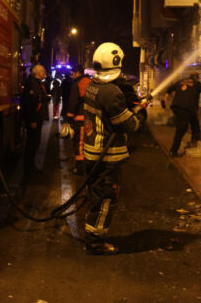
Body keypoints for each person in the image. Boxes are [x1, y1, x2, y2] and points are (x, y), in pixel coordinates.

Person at [81, 43, 148, 255]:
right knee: (106, 199)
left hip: (92, 152)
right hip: (106, 157)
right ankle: (95, 243)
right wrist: (141, 111)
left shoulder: (93, 85)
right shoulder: (111, 93)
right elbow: (130, 125)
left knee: (96, 197)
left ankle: (91, 236)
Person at [166, 72, 201, 157]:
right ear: (196, 77)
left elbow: (169, 89)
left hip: (178, 107)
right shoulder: (197, 83)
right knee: (181, 129)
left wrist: (165, 98)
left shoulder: (181, 81)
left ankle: (194, 141)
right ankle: (173, 151)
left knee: (195, 123)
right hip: (186, 109)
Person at [21, 64, 48, 174]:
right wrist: (32, 119)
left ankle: (31, 166)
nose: (45, 73)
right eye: (43, 71)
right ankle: (29, 168)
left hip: (37, 118)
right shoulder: (32, 84)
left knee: (35, 143)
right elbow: (30, 103)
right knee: (32, 143)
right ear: (38, 73)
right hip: (34, 119)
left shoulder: (37, 83)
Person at [65, 65, 91, 174]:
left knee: (79, 144)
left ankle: (80, 168)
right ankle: (89, 166)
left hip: (80, 119)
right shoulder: (91, 83)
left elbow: (73, 102)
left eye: (73, 73)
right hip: (91, 119)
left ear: (78, 73)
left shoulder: (77, 84)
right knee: (89, 143)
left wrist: (69, 117)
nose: (72, 75)